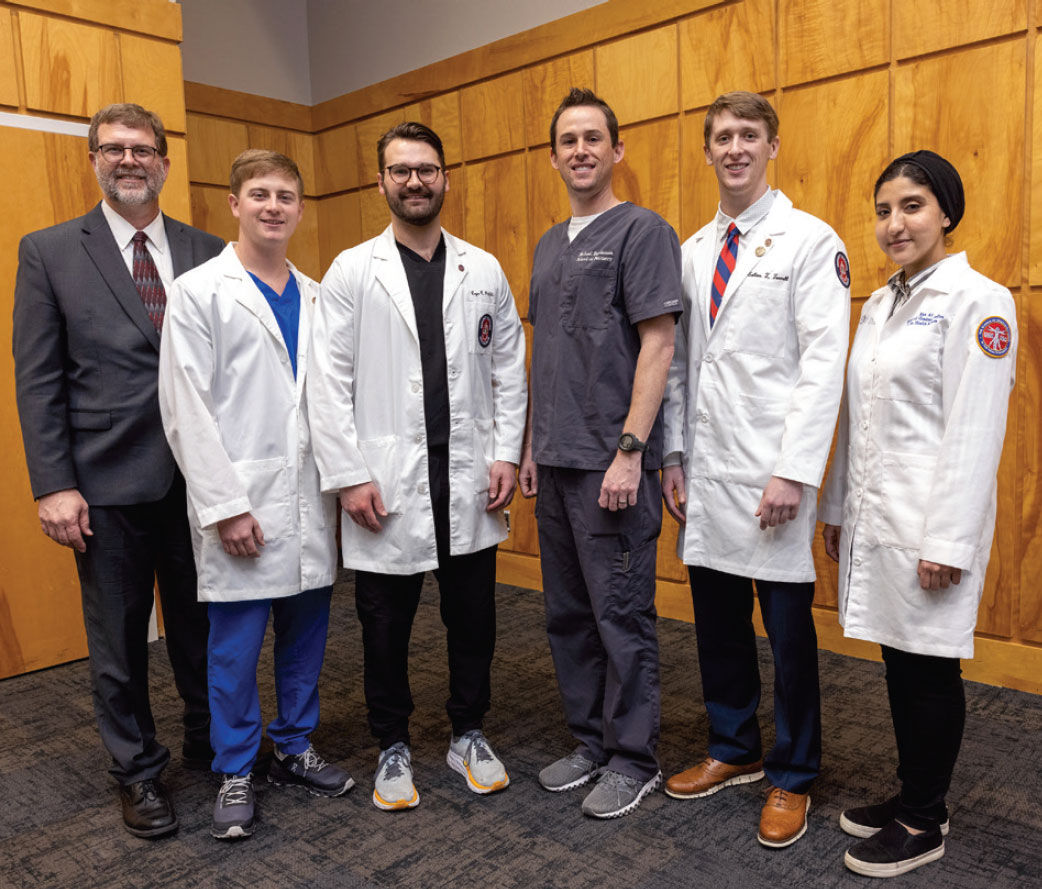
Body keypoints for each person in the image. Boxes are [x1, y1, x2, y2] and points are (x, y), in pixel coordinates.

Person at [12, 103, 223, 838]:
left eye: (143, 149)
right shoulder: (49, 252)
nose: (129, 160)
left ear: (164, 161)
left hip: (201, 484)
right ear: (94, 160)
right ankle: (137, 772)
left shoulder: (209, 249)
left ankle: (213, 745)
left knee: (205, 626)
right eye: (114, 149)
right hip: (104, 485)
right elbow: (38, 378)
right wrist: (52, 483)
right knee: (121, 641)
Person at [309, 122, 526, 812]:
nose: (413, 181)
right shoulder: (352, 270)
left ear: (444, 178)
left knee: (473, 622)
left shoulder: (482, 268)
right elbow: (326, 379)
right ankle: (392, 744)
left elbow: (510, 368)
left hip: (466, 479)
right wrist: (347, 474)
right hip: (386, 482)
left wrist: (504, 453)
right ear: (381, 182)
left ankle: (468, 731)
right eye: (400, 171)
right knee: (383, 629)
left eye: (426, 169)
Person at [660, 91, 849, 848]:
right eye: (721, 138)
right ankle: (732, 747)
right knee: (716, 623)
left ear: (772, 145)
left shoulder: (810, 240)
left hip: (772, 473)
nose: (734, 148)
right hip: (706, 472)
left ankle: (793, 771)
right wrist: (672, 453)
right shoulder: (691, 249)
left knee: (786, 631)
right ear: (705, 152)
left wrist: (793, 472)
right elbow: (676, 365)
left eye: (748, 135)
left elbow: (822, 364)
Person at [819, 150, 1016, 877]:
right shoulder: (878, 302)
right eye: (882, 210)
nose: (894, 223)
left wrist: (948, 541)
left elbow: (974, 431)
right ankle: (911, 791)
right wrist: (837, 506)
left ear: (945, 213)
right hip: (878, 519)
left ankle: (924, 820)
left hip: (930, 524)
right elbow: (855, 415)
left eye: (910, 206)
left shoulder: (979, 301)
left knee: (929, 668)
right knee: (898, 661)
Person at [158, 149, 352, 841]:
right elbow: (185, 408)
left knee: (305, 637)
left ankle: (294, 748)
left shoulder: (321, 295)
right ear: (233, 204)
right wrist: (226, 506)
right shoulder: (199, 291)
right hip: (239, 503)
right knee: (235, 648)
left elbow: (332, 404)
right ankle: (236, 764)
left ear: (300, 209)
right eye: (259, 194)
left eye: (285, 196)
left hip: (308, 500)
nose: (273, 206)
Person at [518, 88, 679, 819]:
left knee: (620, 615)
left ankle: (633, 756)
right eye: (567, 140)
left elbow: (658, 343)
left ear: (616, 150)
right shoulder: (551, 243)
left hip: (609, 464)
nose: (579, 150)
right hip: (554, 462)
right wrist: (527, 444)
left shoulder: (642, 231)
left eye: (592, 138)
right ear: (554, 156)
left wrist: (628, 452)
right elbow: (543, 352)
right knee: (568, 615)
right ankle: (590, 740)